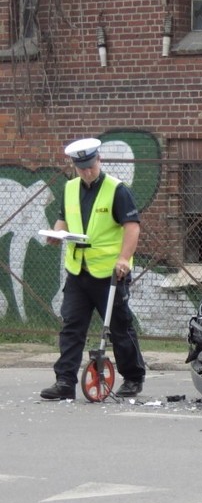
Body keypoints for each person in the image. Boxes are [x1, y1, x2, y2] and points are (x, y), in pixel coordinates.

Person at [40, 138, 146, 400]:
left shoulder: (116, 190)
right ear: (74, 166)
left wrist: (124, 258)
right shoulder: (70, 188)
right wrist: (56, 233)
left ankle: (133, 378)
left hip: (110, 273)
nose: (87, 171)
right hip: (78, 271)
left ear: (99, 160)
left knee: (120, 327)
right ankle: (65, 382)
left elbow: (132, 226)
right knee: (71, 327)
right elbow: (64, 218)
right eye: (82, 167)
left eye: (91, 165)